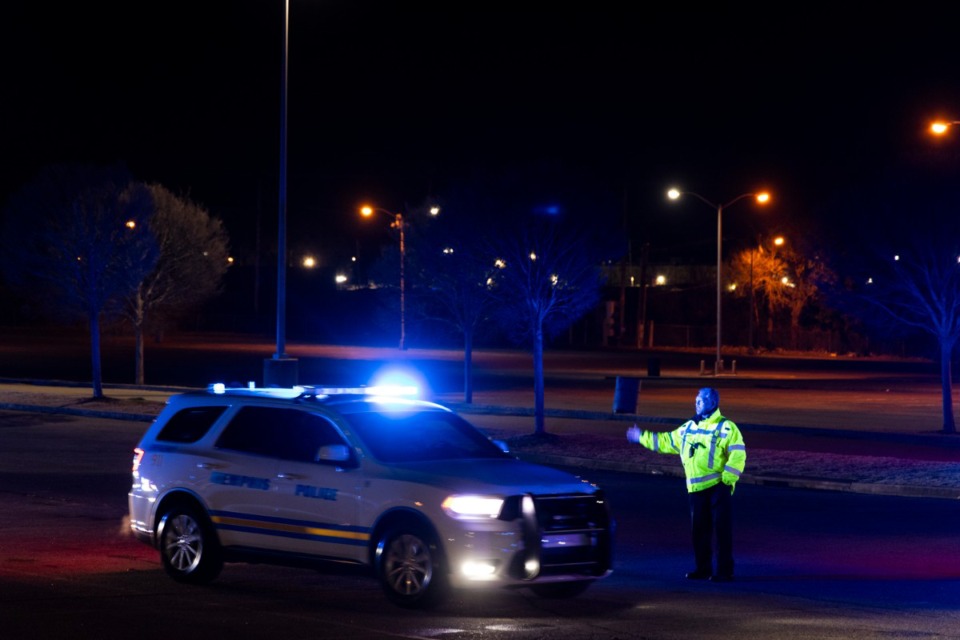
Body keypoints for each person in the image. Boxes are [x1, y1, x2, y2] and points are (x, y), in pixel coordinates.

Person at [626, 387, 746, 582]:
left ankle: (724, 571)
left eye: (701, 400)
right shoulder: (689, 427)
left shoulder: (726, 427)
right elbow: (666, 441)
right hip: (696, 489)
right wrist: (641, 437)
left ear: (713, 403)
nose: (696, 403)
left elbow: (738, 454)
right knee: (699, 531)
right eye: (696, 399)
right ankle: (703, 569)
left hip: (718, 487)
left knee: (721, 531)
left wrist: (727, 480)